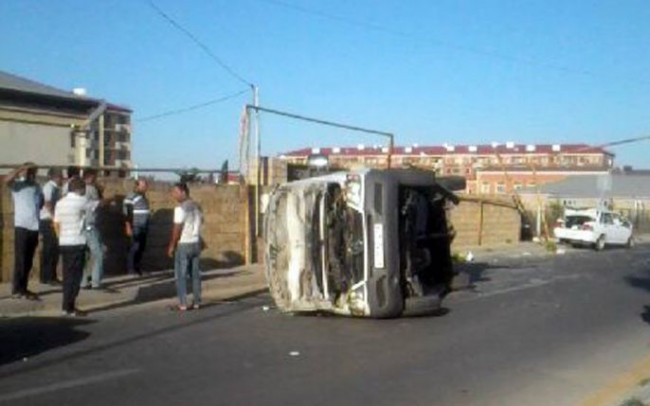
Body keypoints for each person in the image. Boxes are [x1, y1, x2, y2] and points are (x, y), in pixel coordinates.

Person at [4, 162, 43, 299]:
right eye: (29, 171)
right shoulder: (17, 185)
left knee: (28, 260)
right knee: (20, 259)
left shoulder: (37, 186)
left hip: (34, 226)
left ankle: (23, 288)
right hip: (22, 226)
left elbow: (39, 204)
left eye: (33, 171)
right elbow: (6, 180)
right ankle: (16, 289)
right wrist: (20, 169)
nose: (31, 174)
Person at [54, 178, 89, 316]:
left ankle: (66, 306)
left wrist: (60, 238)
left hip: (64, 242)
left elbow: (56, 223)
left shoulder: (60, 203)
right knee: (76, 276)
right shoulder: (82, 201)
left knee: (67, 275)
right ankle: (70, 307)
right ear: (80, 189)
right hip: (77, 242)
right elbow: (95, 205)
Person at [167, 182, 202, 311]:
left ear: (184, 192)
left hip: (184, 244)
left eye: (176, 192)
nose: (174, 195)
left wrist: (171, 245)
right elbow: (200, 222)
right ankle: (197, 302)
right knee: (195, 275)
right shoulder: (197, 206)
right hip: (196, 242)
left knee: (181, 275)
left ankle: (183, 303)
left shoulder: (180, 209)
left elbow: (177, 228)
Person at [39, 168, 63, 285]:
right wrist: (55, 217)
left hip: (52, 220)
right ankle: (48, 277)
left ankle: (49, 276)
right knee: (50, 249)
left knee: (53, 249)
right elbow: (47, 203)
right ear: (54, 176)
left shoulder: (56, 188)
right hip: (48, 220)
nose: (62, 178)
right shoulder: (49, 187)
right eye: (60, 176)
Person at [81, 169, 104, 289]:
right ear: (90, 177)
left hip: (80, 226)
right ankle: (96, 282)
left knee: (83, 254)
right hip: (90, 225)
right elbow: (98, 204)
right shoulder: (90, 189)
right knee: (98, 253)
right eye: (95, 177)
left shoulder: (75, 188)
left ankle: (83, 281)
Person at [123, 179, 150, 275]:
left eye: (146, 186)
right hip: (136, 226)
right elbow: (127, 213)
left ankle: (138, 268)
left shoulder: (142, 196)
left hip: (143, 226)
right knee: (134, 247)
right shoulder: (131, 196)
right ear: (137, 186)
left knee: (141, 248)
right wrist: (128, 226)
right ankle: (131, 270)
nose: (145, 188)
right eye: (143, 186)